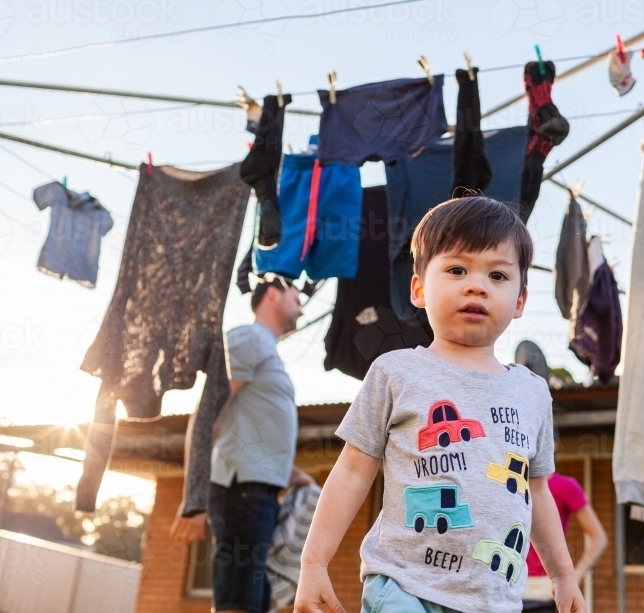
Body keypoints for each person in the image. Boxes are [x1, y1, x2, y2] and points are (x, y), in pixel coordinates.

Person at [296, 196, 586, 613]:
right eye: (456, 269)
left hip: (495, 601)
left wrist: (563, 576)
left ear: (520, 300)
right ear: (418, 288)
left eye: (498, 275)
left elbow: (535, 489)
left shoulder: (533, 392)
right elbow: (352, 471)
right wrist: (313, 562)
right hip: (403, 587)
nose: (476, 285)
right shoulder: (396, 372)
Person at [175, 273, 312, 613]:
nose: (303, 308)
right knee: (240, 603)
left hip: (258, 493)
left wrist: (291, 473)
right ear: (272, 293)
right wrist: (193, 501)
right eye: (297, 295)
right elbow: (208, 415)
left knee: (254, 602)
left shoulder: (265, 348)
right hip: (241, 493)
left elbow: (246, 430)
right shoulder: (248, 338)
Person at [521, 463, 609, 612]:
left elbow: (598, 537)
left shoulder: (565, 486)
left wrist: (574, 576)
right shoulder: (507, 483)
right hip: (509, 588)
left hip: (546, 592)